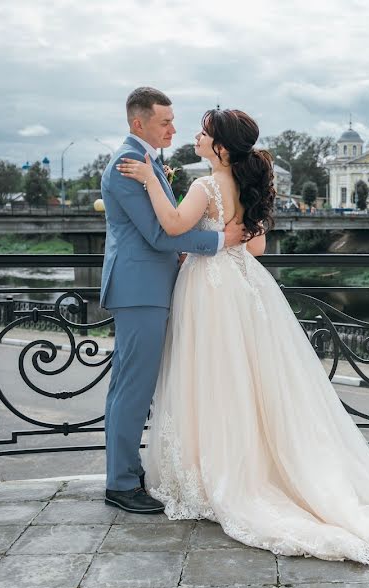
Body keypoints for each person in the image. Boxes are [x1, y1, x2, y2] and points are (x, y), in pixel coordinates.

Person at [115, 108, 369, 569]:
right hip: (245, 286)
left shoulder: (205, 185)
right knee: (249, 376)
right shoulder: (244, 185)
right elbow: (256, 246)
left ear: (220, 147)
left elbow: (171, 226)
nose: (196, 135)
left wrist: (151, 180)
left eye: (204, 132)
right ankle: (254, 463)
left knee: (214, 376)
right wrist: (221, 237)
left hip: (209, 288)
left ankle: (219, 471)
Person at [100, 87, 245, 514]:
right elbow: (161, 234)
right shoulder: (127, 167)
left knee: (132, 385)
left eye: (173, 120)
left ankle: (125, 474)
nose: (173, 129)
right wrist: (222, 239)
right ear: (137, 123)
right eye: (165, 122)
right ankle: (122, 484)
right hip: (140, 289)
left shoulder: (147, 162)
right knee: (133, 387)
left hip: (149, 286)